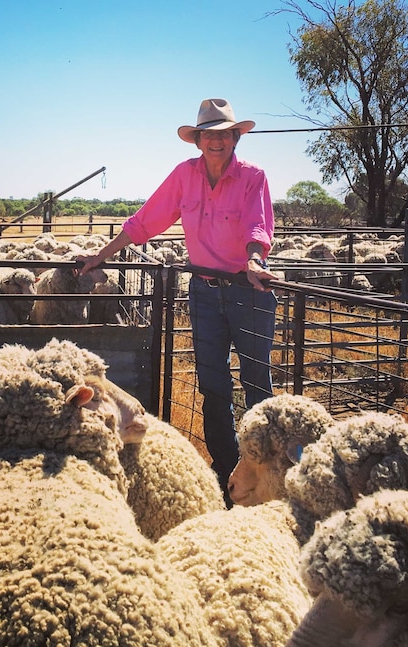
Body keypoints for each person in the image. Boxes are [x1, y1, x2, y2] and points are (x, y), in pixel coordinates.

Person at [77, 98, 278, 502]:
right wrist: (102, 254)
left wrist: (255, 261)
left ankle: (268, 476)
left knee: (257, 383)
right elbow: (146, 220)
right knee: (212, 385)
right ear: (198, 140)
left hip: (246, 290)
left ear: (235, 137)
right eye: (209, 134)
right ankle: (226, 474)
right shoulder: (184, 176)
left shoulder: (252, 177)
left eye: (224, 134)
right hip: (204, 292)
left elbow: (258, 224)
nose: (217, 141)